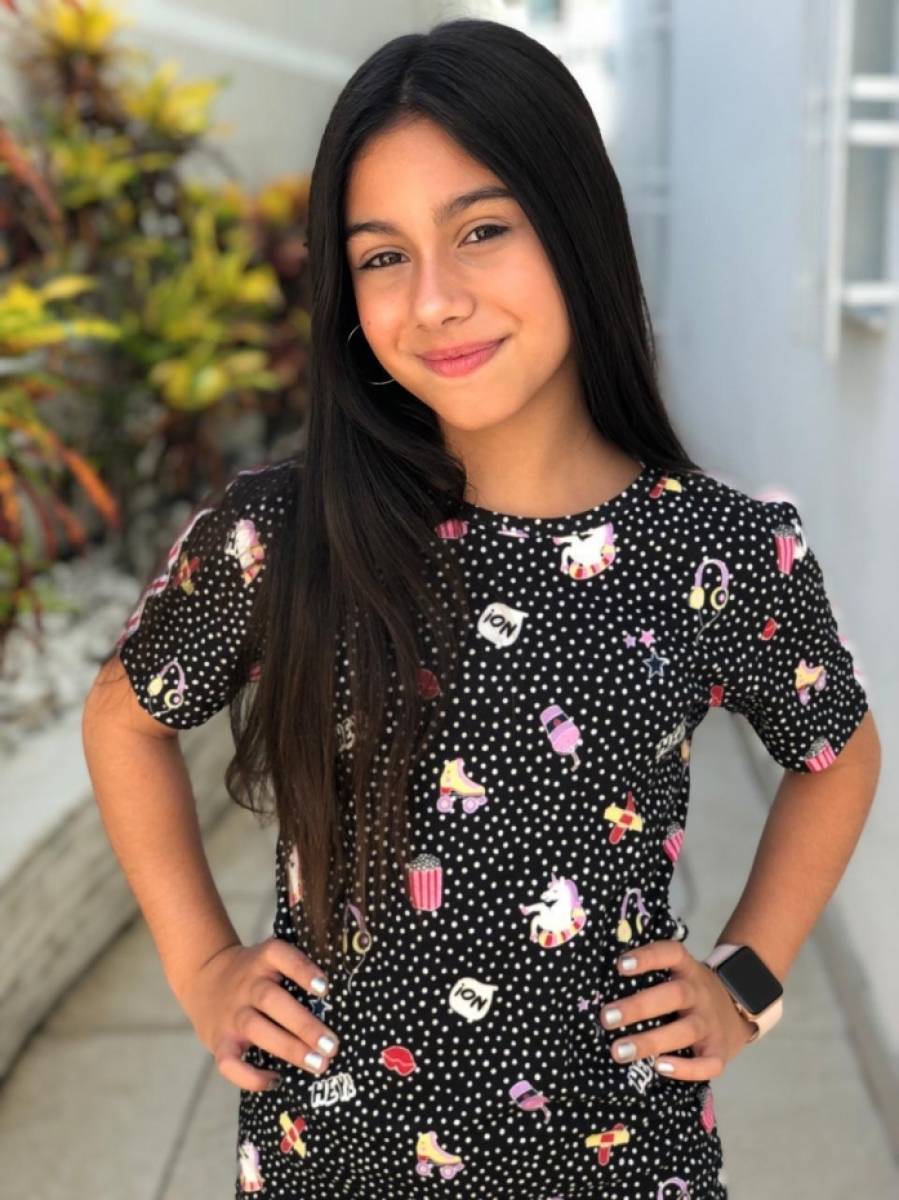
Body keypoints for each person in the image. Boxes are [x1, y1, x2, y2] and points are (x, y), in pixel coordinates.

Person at [81, 17, 880, 1200]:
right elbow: (123, 719)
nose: (434, 300)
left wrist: (746, 982)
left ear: (573, 224)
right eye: (381, 256)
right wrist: (202, 966)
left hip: (621, 1156)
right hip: (334, 1157)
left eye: (481, 231)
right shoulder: (283, 536)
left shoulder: (717, 551)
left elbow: (835, 753)